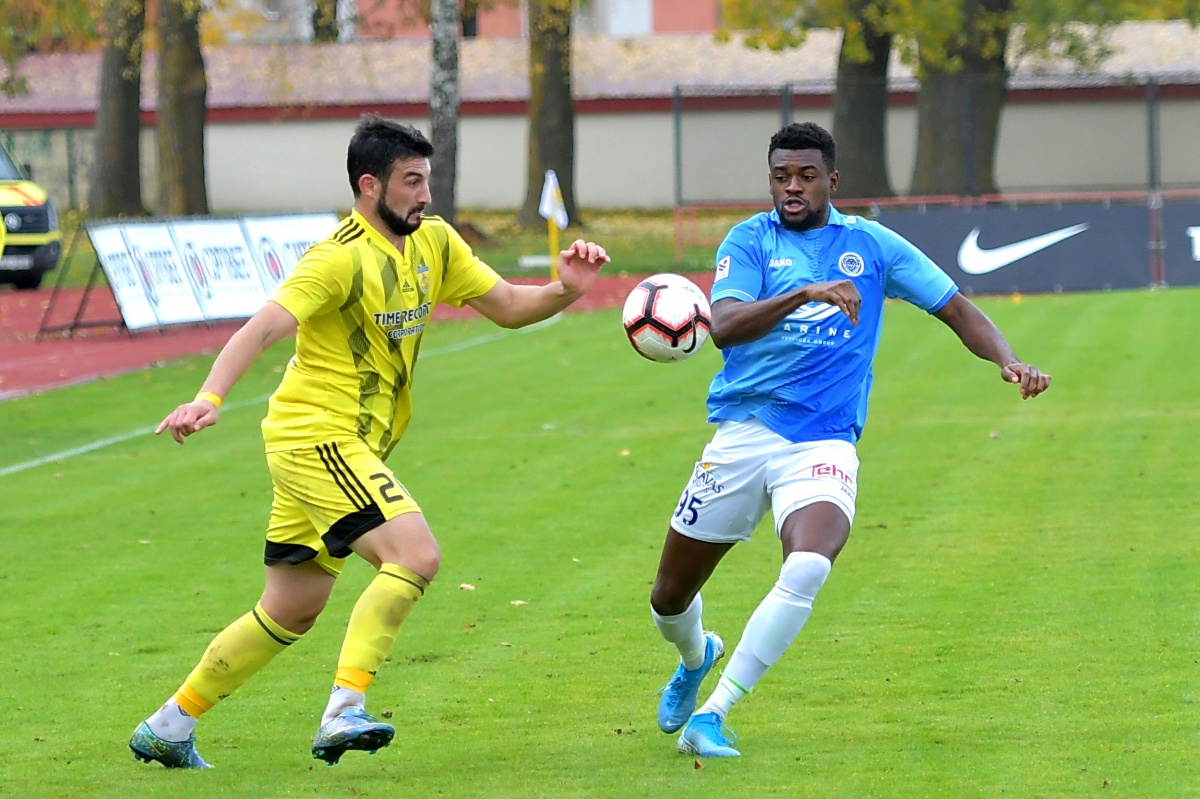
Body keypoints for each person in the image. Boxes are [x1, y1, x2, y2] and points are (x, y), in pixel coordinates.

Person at [129, 114, 609, 769]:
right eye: (411, 181)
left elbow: (506, 305)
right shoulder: (337, 257)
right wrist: (207, 400)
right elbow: (261, 327)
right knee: (415, 554)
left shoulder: (434, 242)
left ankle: (169, 724)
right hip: (317, 439)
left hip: (342, 446)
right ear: (369, 185)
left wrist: (563, 290)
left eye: (426, 180)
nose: (425, 195)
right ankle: (343, 708)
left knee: (293, 607)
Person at [649, 121, 1051, 758]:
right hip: (744, 434)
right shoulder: (749, 240)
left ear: (832, 181)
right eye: (781, 176)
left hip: (824, 441)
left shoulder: (873, 246)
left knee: (809, 563)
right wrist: (805, 292)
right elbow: (723, 326)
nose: (792, 187)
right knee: (669, 599)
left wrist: (1009, 359)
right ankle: (697, 657)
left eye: (806, 176)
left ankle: (714, 712)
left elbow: (955, 308)